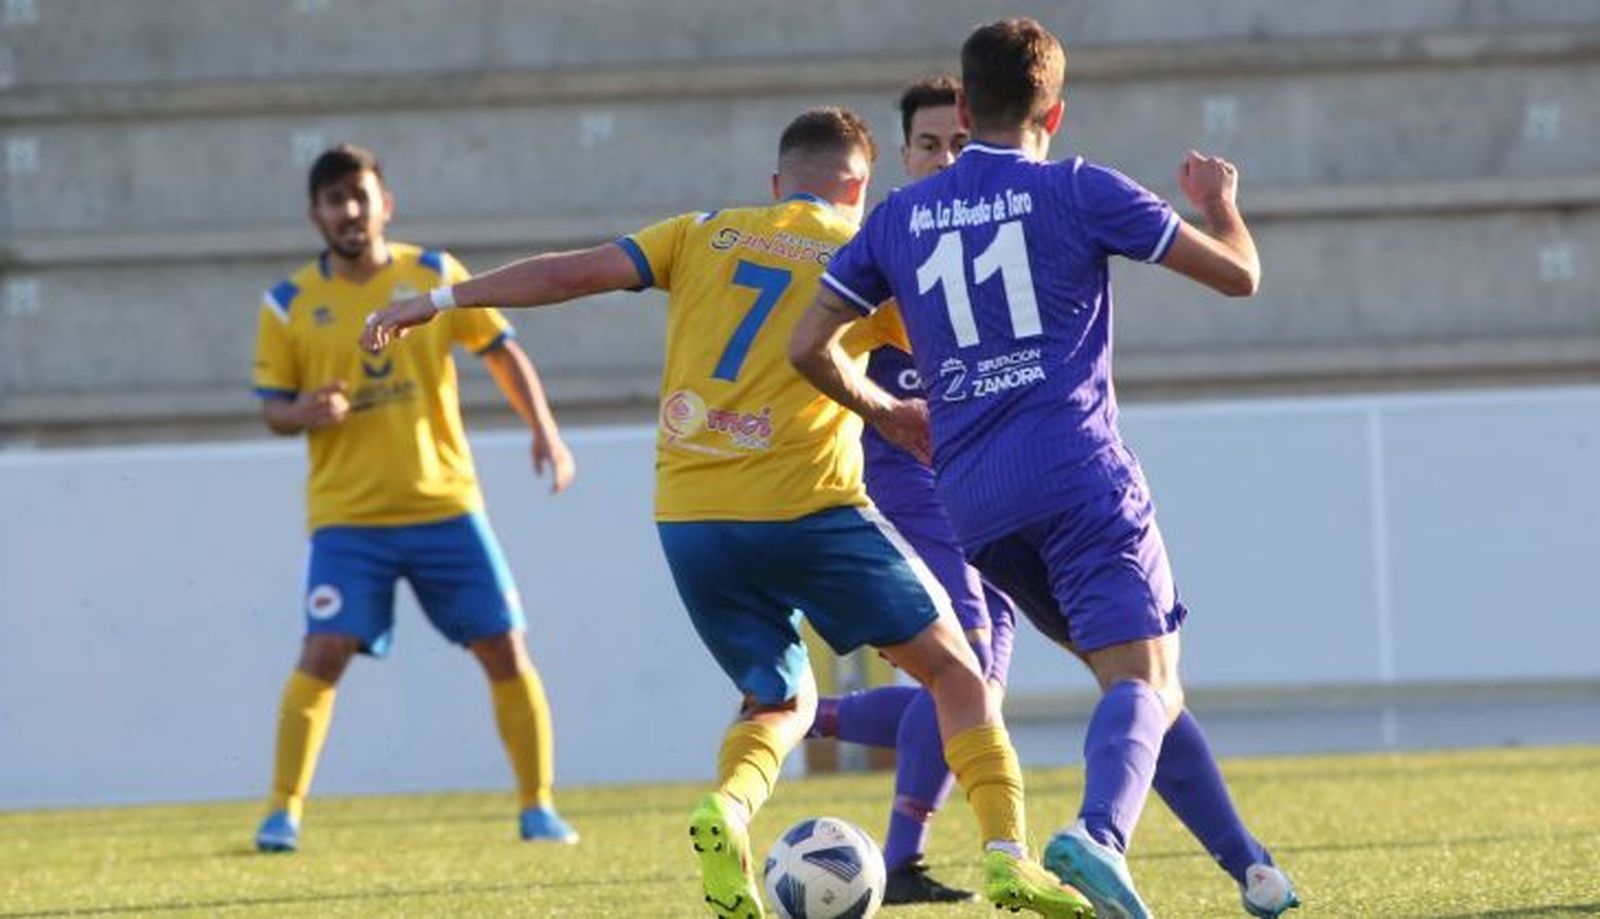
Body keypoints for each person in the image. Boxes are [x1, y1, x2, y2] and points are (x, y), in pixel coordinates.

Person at [364, 109, 1091, 918]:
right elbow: (968, 347)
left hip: (691, 514)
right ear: (859, 186)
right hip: (809, 507)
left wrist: (440, 297)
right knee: (957, 672)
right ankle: (1007, 856)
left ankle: (731, 808)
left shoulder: (699, 234)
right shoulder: (865, 252)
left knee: (780, 698)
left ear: (777, 184)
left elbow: (570, 275)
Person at [789, 18, 1300, 919]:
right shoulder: (1079, 189)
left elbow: (807, 345)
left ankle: (1253, 870)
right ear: (1054, 112)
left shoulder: (901, 216)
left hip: (977, 502)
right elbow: (1238, 276)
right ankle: (1098, 835)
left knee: (1134, 688)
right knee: (1146, 682)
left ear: (967, 102)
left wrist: (890, 414)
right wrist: (1221, 204)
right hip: (1075, 471)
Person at [251, 144, 579, 853]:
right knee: (324, 648)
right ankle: (282, 811)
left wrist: (545, 432)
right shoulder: (287, 304)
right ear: (315, 214)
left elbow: (501, 352)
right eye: (334, 200)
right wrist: (304, 409)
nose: (350, 210)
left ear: (384, 203)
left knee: (504, 647)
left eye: (360, 196)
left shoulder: (431, 275)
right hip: (349, 517)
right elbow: (272, 406)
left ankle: (538, 806)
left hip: (445, 506)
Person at [802, 75, 1018, 906]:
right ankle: (900, 858)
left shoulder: (999, 233)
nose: (946, 158)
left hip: (985, 481)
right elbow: (806, 343)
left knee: (971, 685)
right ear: (904, 155)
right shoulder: (886, 237)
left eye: (960, 143)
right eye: (930, 145)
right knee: (963, 670)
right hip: (903, 480)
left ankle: (812, 715)